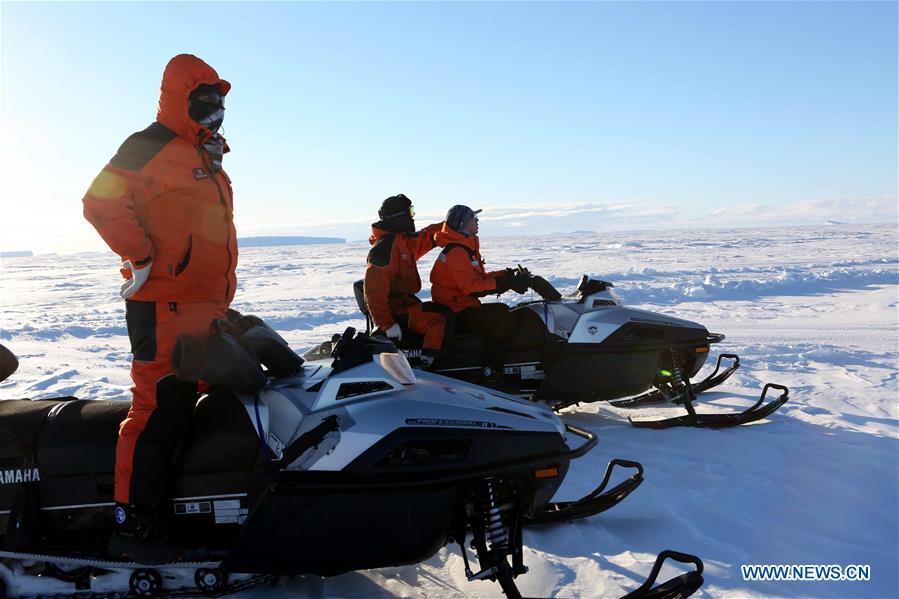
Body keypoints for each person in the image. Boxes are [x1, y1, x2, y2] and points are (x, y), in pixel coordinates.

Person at [82, 54, 236, 564]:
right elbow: (100, 201)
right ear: (182, 99)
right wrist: (142, 256)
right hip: (163, 308)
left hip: (203, 308)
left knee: (199, 412)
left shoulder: (206, 156)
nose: (215, 112)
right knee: (156, 413)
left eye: (219, 103)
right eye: (205, 101)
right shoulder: (149, 144)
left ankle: (191, 507)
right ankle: (134, 524)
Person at [429, 205, 544, 365]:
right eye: (473, 219)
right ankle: (493, 367)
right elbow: (471, 288)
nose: (477, 221)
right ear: (462, 223)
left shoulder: (464, 248)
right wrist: (506, 283)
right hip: (456, 310)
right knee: (502, 322)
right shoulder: (457, 252)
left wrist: (505, 274)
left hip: (463, 305)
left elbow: (479, 278)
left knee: (503, 309)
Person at [364, 194, 448, 359]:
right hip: (396, 310)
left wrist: (449, 225)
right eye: (410, 212)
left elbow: (424, 238)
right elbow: (374, 291)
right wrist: (387, 324)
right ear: (399, 216)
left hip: (407, 304)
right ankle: (431, 361)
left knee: (445, 309)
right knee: (438, 320)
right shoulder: (385, 248)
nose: (412, 216)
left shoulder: (401, 241)